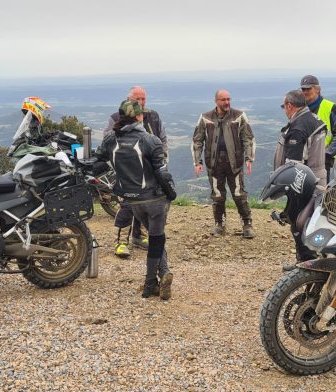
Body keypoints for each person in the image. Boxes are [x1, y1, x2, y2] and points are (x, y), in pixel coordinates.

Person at [95, 99, 177, 300]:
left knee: (157, 239)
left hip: (132, 201)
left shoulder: (110, 140)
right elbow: (162, 173)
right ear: (140, 116)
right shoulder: (150, 140)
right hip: (154, 199)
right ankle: (150, 283)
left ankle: (163, 273)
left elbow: (97, 162)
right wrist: (171, 193)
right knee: (157, 240)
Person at [104, 86, 168, 257]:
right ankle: (121, 241)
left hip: (149, 170)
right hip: (127, 170)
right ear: (128, 99)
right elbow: (108, 142)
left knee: (147, 202)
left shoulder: (153, 116)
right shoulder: (116, 118)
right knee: (127, 204)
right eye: (137, 99)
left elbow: (162, 139)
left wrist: (162, 160)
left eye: (143, 99)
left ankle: (140, 237)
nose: (141, 102)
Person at [274, 90, 328, 271]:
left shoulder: (298, 127)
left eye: (284, 107)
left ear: (290, 105)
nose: (284, 110)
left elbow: (294, 166)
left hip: (304, 182)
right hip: (318, 177)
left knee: (298, 221)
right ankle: (314, 259)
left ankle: (306, 262)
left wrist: (286, 187)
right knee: (311, 220)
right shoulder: (314, 119)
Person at [192, 89, 255, 239]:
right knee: (218, 195)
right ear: (216, 101)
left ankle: (247, 224)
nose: (227, 102)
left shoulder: (239, 116)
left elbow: (248, 138)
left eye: (228, 99)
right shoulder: (205, 117)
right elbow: (197, 140)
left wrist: (249, 158)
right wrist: (197, 161)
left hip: (235, 162)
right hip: (214, 163)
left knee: (239, 194)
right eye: (223, 100)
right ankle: (219, 224)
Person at [299, 75, 336, 178]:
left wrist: (327, 154)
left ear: (317, 89)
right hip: (301, 161)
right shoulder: (299, 108)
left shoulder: (331, 108)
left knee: (319, 192)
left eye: (308, 88)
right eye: (303, 89)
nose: (305, 91)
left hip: (321, 162)